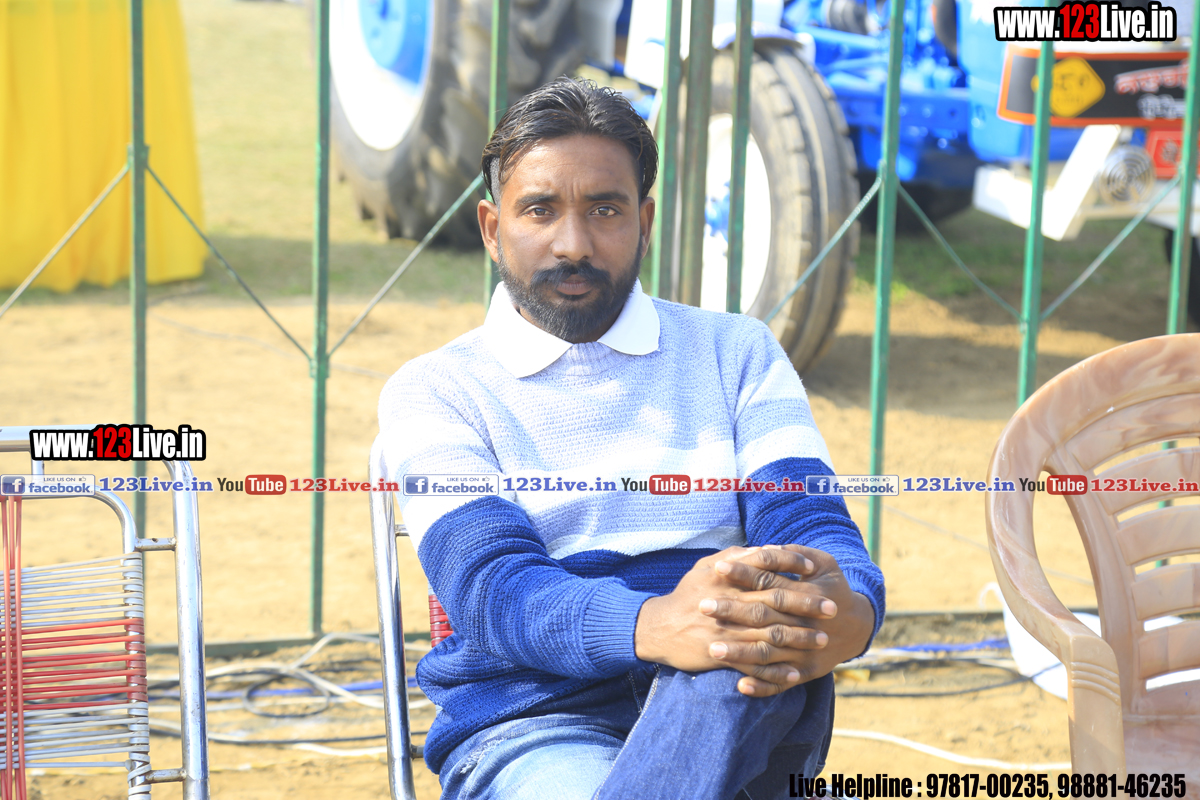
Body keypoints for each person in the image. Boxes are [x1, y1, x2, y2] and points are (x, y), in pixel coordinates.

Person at [377, 76, 885, 800]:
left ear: (644, 221)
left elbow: (814, 532)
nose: (573, 244)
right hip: (535, 725)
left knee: (726, 656)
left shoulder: (737, 353)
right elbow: (494, 591)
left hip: (740, 708)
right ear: (492, 228)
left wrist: (851, 609)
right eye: (540, 210)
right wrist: (657, 623)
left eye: (604, 209)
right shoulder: (435, 389)